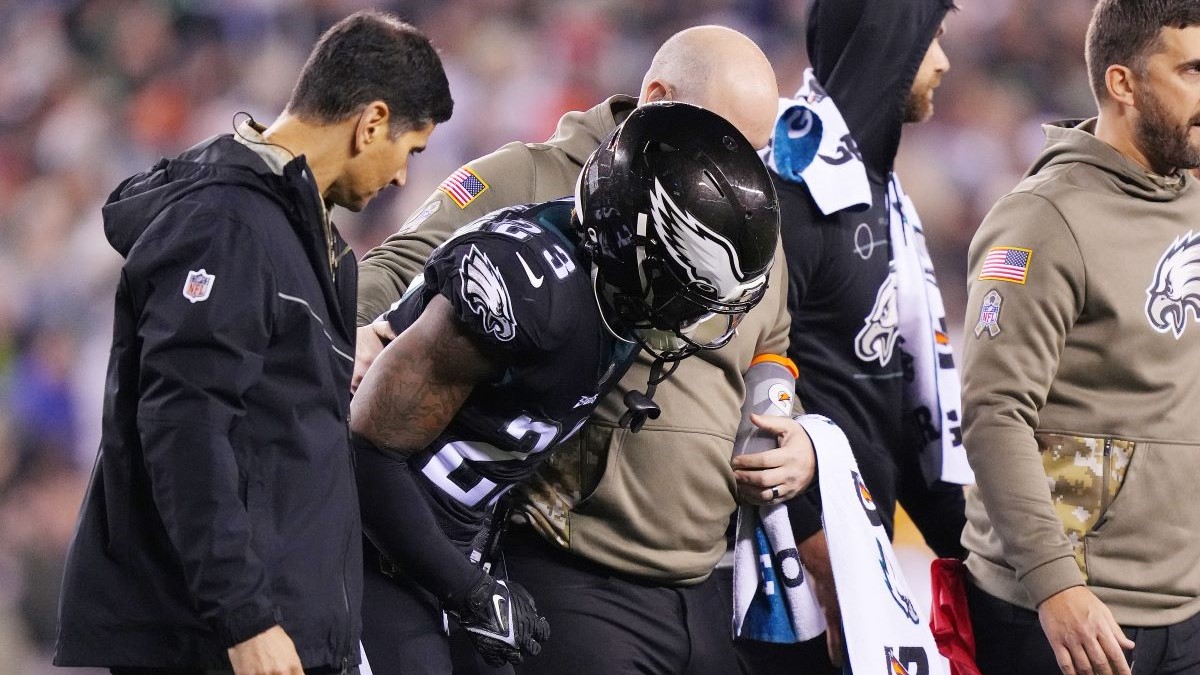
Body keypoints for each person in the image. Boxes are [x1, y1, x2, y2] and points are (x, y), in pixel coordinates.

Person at [354, 26, 815, 675]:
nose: (743, 171)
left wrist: (780, 419)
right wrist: (356, 334)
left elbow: (770, 340)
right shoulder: (535, 184)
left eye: (757, 150)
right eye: (728, 142)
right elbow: (402, 267)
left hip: (700, 575)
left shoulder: (732, 224)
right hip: (562, 569)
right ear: (657, 97)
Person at [53, 12, 453, 675]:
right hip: (218, 641)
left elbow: (277, 431)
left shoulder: (304, 239)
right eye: (412, 151)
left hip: (284, 634)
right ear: (372, 121)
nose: (404, 177)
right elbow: (187, 427)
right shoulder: (226, 224)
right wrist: (246, 617)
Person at [960, 2, 1200, 674]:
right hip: (1074, 613)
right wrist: (1054, 581)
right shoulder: (1043, 220)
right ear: (1123, 83)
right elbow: (993, 412)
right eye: (1193, 71)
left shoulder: (1191, 199)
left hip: (1185, 606)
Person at [739, 0, 970, 671]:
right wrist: (817, 548)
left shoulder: (878, 192)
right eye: (933, 41)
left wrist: (977, 558)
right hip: (788, 577)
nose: (945, 62)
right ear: (891, 45)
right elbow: (745, 377)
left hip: (858, 552)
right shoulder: (787, 187)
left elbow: (900, 401)